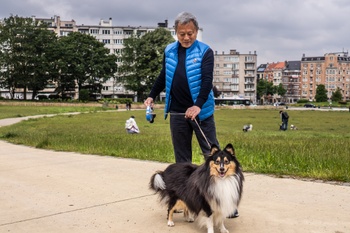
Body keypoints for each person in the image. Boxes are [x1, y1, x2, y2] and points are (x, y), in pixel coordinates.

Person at [144, 12, 219, 163]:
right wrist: (151, 95)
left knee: (212, 155)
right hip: (177, 111)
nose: (186, 38)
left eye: (190, 33)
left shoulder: (205, 51)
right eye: (181, 34)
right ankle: (184, 186)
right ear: (176, 32)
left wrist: (197, 105)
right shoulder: (169, 51)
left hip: (200, 111)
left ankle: (217, 186)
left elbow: (206, 81)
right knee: (182, 159)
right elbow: (164, 75)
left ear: (196, 32)